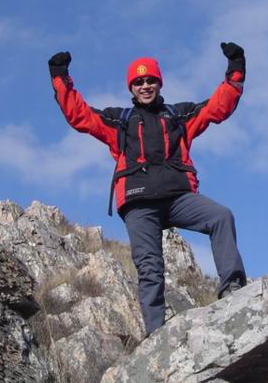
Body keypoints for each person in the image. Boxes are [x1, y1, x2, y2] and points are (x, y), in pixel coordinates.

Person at [48, 42, 248, 336]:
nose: (145, 86)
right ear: (131, 88)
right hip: (139, 203)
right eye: (139, 81)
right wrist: (60, 76)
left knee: (221, 216)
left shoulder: (179, 116)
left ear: (159, 83)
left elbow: (219, 106)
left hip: (178, 198)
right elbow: (79, 114)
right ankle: (156, 333)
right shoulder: (118, 121)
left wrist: (236, 68)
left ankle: (232, 288)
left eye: (150, 80)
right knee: (150, 267)